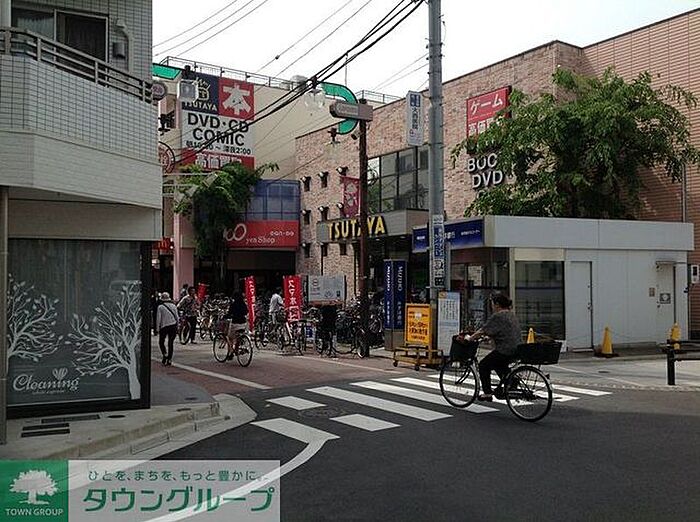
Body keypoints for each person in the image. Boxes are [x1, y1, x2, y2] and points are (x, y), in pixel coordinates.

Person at [468, 293, 522, 402]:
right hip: (517, 349)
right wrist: (489, 337)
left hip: (505, 349)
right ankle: (512, 380)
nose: (492, 306)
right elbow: (503, 331)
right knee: (498, 363)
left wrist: (470, 338)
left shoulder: (498, 316)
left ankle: (487, 393)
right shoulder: (511, 314)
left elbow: (483, 330)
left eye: (492, 304)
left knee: (483, 365)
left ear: (497, 304)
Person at [224, 291, 248, 360]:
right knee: (238, 337)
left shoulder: (233, 304)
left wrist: (225, 316)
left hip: (235, 323)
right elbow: (246, 312)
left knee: (229, 337)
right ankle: (237, 348)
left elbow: (229, 313)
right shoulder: (243, 304)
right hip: (243, 323)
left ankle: (231, 351)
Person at [156, 292, 179, 365]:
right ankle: (169, 359)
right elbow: (177, 317)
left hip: (164, 326)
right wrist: (178, 326)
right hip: (173, 325)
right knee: (170, 343)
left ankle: (164, 353)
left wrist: (157, 328)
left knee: (161, 342)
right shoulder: (173, 306)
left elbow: (158, 318)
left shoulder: (160, 307)